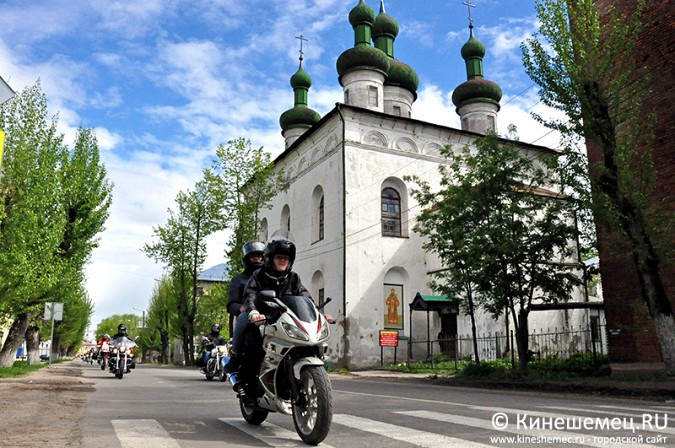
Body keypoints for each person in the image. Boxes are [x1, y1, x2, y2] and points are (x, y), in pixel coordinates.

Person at [224, 231, 332, 374]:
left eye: (285, 258)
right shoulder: (253, 277)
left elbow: (305, 297)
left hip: (285, 318)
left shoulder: (292, 278)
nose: (257, 259)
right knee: (251, 340)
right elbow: (249, 295)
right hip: (261, 318)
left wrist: (320, 314)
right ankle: (236, 357)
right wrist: (251, 310)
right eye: (279, 257)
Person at [227, 240, 265, 335]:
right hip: (248, 320)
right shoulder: (238, 279)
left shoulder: (270, 278)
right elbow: (231, 305)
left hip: (269, 317)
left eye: (259, 256)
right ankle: (236, 349)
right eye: (253, 256)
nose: (256, 258)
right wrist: (242, 308)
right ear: (247, 259)